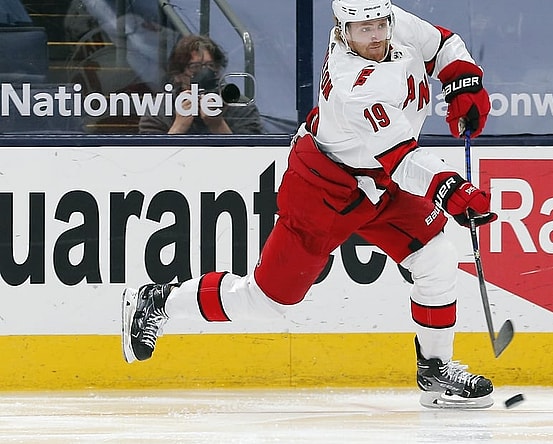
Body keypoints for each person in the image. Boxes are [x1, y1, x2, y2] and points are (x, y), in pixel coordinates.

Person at [122, 0, 494, 409]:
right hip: (325, 190)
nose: (374, 35)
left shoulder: (391, 25)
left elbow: (441, 42)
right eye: (361, 28)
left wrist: (463, 80)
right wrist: (451, 188)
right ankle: (159, 301)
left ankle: (435, 370)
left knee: (435, 254)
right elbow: (403, 160)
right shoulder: (356, 86)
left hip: (379, 181)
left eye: (378, 24)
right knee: (267, 302)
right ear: (341, 30)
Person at [138, 35, 263, 135]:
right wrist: (179, 127)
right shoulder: (158, 108)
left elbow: (248, 159)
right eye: (195, 67)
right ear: (178, 75)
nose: (204, 73)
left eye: (210, 66)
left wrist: (217, 125)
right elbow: (153, 160)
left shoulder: (240, 106)